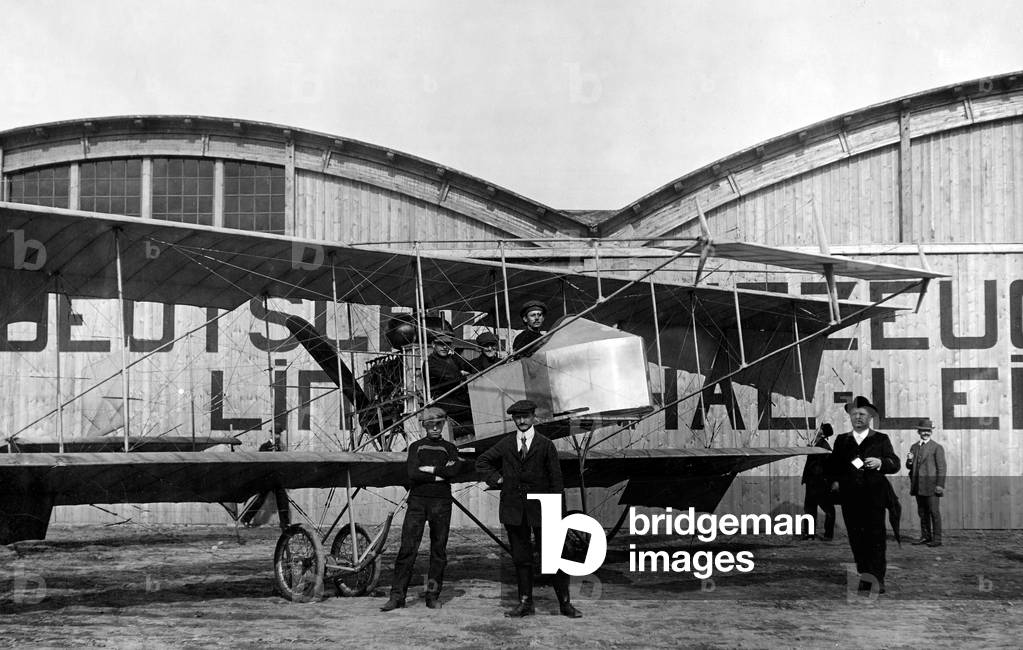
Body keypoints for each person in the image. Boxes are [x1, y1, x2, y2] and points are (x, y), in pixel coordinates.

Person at [475, 399, 581, 618]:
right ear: (513, 419)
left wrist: (558, 513)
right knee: (521, 558)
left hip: (543, 509)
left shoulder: (545, 444)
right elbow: (482, 461)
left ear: (534, 417)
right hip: (514, 510)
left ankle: (565, 603)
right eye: (517, 417)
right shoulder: (506, 444)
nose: (521, 421)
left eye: (525, 416)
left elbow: (556, 480)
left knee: (553, 557)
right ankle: (525, 603)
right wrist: (498, 479)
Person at [381, 407, 466, 611]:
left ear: (443, 425)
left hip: (441, 504)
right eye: (431, 425)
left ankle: (432, 595)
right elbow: (412, 473)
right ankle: (397, 596)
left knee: (438, 551)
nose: (435, 428)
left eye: (439, 424)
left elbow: (454, 470)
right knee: (408, 549)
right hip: (417, 502)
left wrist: (431, 469)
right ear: (425, 426)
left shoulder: (450, 447)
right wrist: (440, 475)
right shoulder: (415, 447)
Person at [825, 395, 900, 594]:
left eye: (862, 414)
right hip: (851, 499)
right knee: (856, 539)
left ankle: (877, 579)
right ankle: (865, 575)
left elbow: (895, 463)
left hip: (874, 499)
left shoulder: (881, 439)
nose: (858, 417)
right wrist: (835, 481)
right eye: (854, 414)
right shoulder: (842, 440)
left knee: (875, 539)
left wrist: (881, 463)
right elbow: (833, 466)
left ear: (870, 417)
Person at [422, 331, 474, 433]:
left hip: (458, 397)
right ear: (433, 345)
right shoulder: (430, 363)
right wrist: (461, 373)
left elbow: (471, 367)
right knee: (471, 409)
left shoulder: (453, 358)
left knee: (478, 402)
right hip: (441, 400)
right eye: (441, 344)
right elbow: (450, 377)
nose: (444, 347)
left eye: (447, 344)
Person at [906, 418, 946, 547]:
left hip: (932, 486)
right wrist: (910, 461)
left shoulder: (937, 447)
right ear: (919, 431)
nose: (926, 433)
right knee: (922, 513)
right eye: (923, 431)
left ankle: (937, 539)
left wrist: (940, 485)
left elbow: (942, 468)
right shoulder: (914, 447)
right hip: (918, 486)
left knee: (934, 512)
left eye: (928, 431)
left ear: (931, 432)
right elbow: (909, 466)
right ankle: (925, 537)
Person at [801, 423, 835, 541]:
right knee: (810, 509)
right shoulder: (816, 445)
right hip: (812, 482)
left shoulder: (824, 447)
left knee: (828, 509)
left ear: (823, 433)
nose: (816, 429)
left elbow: (828, 466)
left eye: (819, 428)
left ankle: (826, 535)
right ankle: (811, 534)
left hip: (818, 483)